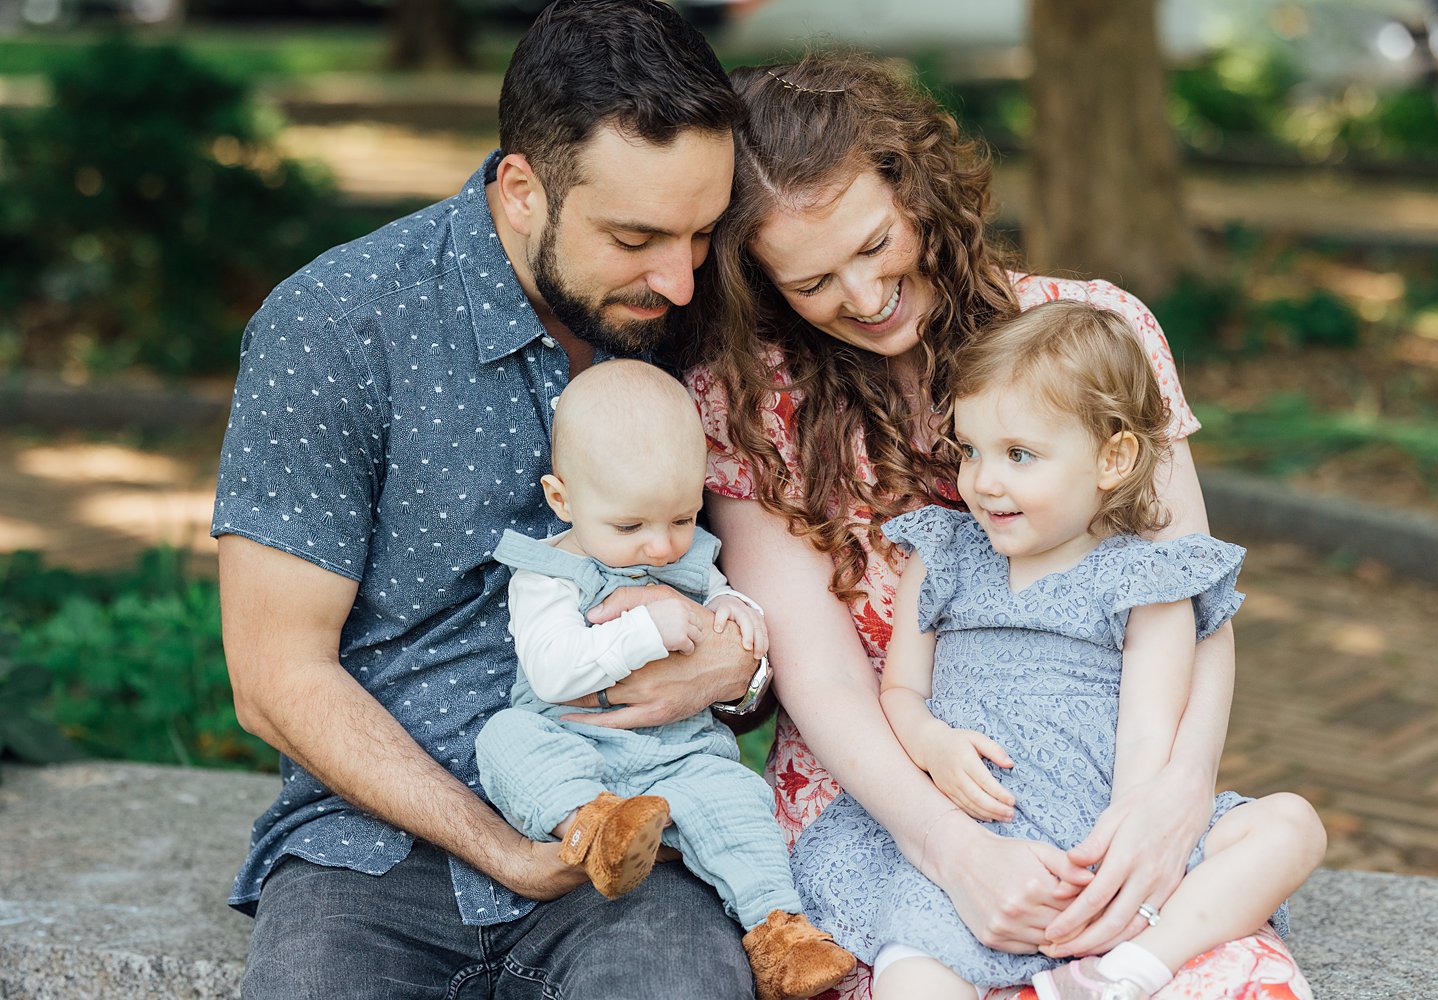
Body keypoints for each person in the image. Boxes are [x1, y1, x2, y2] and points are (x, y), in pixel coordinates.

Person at [677, 53, 1316, 998]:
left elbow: (1187, 601)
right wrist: (951, 849)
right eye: (812, 282)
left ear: (917, 189)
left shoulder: (1097, 332)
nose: (860, 296)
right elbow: (821, 673)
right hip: (887, 793)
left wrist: (1172, 800)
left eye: (873, 244)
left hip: (1100, 771)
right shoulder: (747, 401)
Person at [210, 2, 766, 996]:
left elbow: (774, 590)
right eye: (635, 235)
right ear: (521, 189)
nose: (680, 280)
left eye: (702, 232)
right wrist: (504, 847)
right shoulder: (335, 325)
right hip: (371, 849)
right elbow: (275, 676)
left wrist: (739, 664)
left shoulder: (703, 318)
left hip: (640, 827)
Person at [787, 300, 1326, 999]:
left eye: (1019, 455)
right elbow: (901, 689)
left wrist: (1122, 843)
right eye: (971, 449)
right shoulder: (944, 553)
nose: (983, 480)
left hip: (1100, 821)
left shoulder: (1146, 579)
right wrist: (931, 743)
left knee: (1291, 827)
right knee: (911, 971)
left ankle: (1132, 966)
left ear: (1113, 458)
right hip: (986, 826)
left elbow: (1147, 732)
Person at [474, 359, 855, 1000]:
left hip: (680, 757)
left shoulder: (690, 555)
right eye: (631, 527)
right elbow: (551, 669)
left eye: (682, 518)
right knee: (505, 740)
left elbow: (727, 613)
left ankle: (779, 930)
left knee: (738, 806)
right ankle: (596, 828)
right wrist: (649, 627)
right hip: (576, 745)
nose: (661, 547)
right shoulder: (546, 573)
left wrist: (738, 610)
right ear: (562, 498)